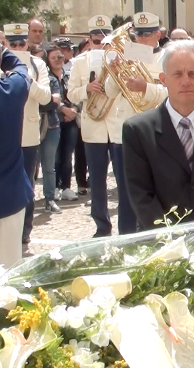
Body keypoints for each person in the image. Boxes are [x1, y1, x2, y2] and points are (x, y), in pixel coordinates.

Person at [122, 40, 194, 236]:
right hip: (160, 243)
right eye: (177, 74)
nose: (186, 81)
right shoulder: (137, 130)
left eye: (193, 74)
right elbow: (140, 195)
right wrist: (171, 239)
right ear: (163, 79)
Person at [105, 11, 168, 235]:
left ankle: (153, 236)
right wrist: (113, 73)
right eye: (138, 35)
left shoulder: (167, 57)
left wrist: (145, 88)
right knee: (126, 193)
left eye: (147, 35)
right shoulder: (127, 54)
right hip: (125, 131)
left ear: (158, 35)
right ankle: (126, 238)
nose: (141, 40)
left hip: (155, 133)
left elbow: (171, 94)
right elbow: (109, 92)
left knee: (156, 191)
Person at [69, 15, 124, 237]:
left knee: (123, 182)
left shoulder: (120, 60)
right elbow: (71, 93)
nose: (100, 44)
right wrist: (86, 89)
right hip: (94, 129)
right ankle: (102, 226)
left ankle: (127, 226)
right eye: (95, 40)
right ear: (89, 41)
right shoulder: (79, 63)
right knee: (98, 184)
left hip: (117, 127)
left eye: (104, 40)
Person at [5, 24, 52, 243]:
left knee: (28, 183)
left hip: (28, 133)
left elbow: (46, 97)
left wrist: (24, 79)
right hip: (7, 133)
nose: (17, 48)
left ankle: (25, 230)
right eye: (11, 44)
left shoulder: (37, 64)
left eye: (20, 43)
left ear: (27, 43)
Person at [0, 45, 32, 266]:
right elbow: (22, 70)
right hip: (9, 195)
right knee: (9, 272)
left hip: (10, 193)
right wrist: (3, 51)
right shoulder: (12, 89)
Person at [46, 45, 81, 202]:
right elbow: (50, 99)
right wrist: (64, 110)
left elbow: (77, 94)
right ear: (48, 60)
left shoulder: (69, 76)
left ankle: (66, 186)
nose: (57, 60)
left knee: (68, 155)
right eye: (53, 57)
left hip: (71, 121)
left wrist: (73, 109)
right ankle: (55, 187)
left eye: (60, 57)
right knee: (56, 156)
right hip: (55, 121)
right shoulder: (46, 77)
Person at [37, 47, 65, 212]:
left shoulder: (51, 80)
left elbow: (54, 103)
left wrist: (42, 101)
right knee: (30, 167)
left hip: (51, 125)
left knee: (49, 165)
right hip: (30, 124)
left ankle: (50, 199)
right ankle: (28, 200)